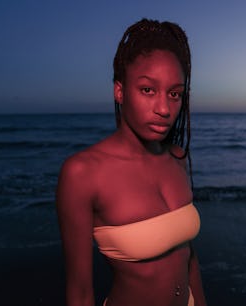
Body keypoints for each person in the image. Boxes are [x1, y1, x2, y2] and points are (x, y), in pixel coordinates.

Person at [57, 18, 207, 306]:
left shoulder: (177, 157)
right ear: (119, 91)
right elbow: (80, 293)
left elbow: (188, 257)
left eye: (174, 94)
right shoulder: (82, 174)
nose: (164, 109)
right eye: (148, 90)